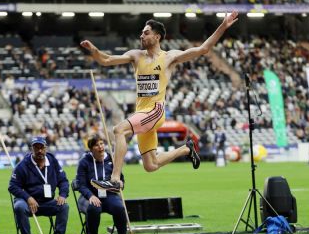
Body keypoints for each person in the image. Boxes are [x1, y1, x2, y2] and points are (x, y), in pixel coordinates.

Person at [80, 11, 239, 192]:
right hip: (141, 113)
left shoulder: (169, 57)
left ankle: (115, 180)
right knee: (151, 165)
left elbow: (203, 49)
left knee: (119, 130)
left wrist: (223, 26)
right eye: (141, 33)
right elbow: (106, 60)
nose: (141, 35)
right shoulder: (136, 56)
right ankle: (186, 150)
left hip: (155, 111)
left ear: (157, 37)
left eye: (146, 33)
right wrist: (94, 50)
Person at [8, 136, 73, 234]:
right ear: (31, 149)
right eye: (36, 148)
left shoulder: (52, 161)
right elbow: (13, 186)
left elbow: (63, 180)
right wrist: (28, 198)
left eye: (41, 147)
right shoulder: (23, 165)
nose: (39, 151)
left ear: (46, 148)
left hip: (47, 202)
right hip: (28, 203)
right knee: (19, 207)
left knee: (64, 206)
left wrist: (63, 195)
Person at [75, 134, 128, 234]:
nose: (100, 147)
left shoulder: (112, 160)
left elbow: (121, 178)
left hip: (109, 195)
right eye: (96, 145)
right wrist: (90, 196)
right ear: (91, 149)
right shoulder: (84, 162)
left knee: (119, 207)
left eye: (101, 144)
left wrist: (121, 184)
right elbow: (81, 185)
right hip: (89, 196)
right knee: (94, 208)